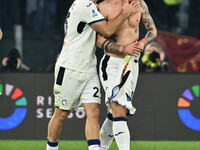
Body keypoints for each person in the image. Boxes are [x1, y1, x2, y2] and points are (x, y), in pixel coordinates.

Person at [46, 0, 141, 150]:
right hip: (71, 66)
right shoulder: (84, 5)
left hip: (89, 67)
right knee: (61, 113)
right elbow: (107, 31)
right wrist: (125, 13)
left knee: (94, 112)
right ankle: (51, 148)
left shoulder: (92, 6)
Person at [96, 0, 157, 149]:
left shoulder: (140, 3)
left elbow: (153, 31)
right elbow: (99, 41)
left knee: (114, 113)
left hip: (132, 63)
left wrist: (143, 42)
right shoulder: (104, 6)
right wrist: (123, 48)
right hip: (112, 63)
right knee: (119, 109)